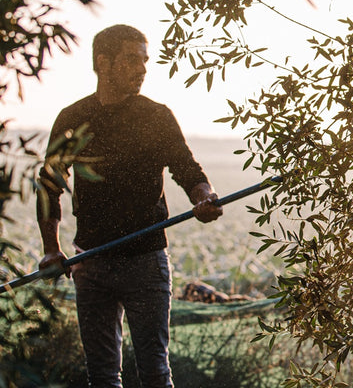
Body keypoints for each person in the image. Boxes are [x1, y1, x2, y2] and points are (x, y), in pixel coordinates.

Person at [36, 24, 223, 388]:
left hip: (146, 262)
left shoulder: (156, 116)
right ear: (102, 63)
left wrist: (204, 197)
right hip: (90, 262)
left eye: (144, 60)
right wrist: (50, 250)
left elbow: (188, 169)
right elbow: (49, 187)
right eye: (131, 60)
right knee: (102, 377)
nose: (142, 69)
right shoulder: (73, 118)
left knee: (154, 373)